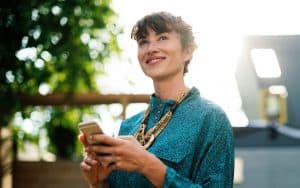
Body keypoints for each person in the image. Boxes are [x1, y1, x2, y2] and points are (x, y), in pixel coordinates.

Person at [79, 11, 234, 188]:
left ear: (188, 51)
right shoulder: (127, 127)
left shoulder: (211, 119)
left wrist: (147, 164)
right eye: (143, 41)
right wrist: (99, 182)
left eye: (162, 38)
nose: (151, 48)